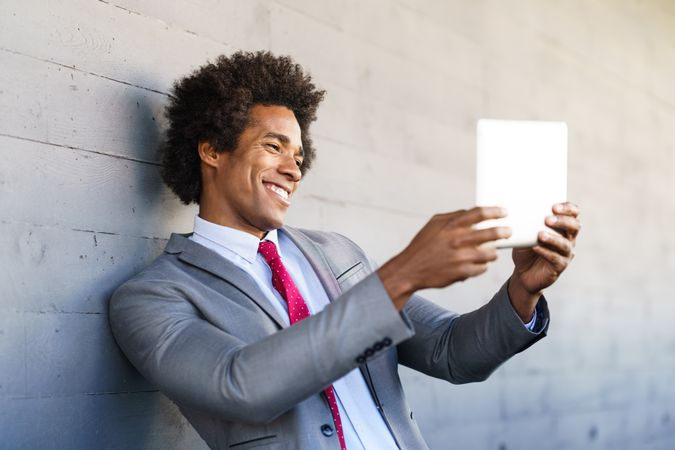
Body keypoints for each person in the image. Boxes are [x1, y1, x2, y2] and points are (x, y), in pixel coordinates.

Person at [109, 51, 580, 450]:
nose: (293, 170)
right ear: (212, 150)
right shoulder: (153, 298)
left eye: (298, 156)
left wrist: (522, 292)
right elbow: (242, 386)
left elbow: (450, 352)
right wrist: (401, 276)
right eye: (274, 147)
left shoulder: (338, 255)